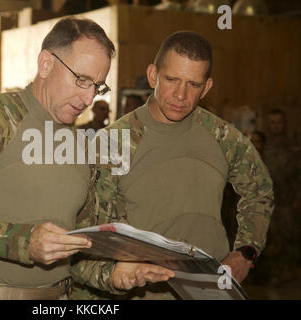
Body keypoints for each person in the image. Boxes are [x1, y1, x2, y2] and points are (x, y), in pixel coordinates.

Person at [0, 17, 173, 300]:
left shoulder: (80, 144)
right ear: (46, 64)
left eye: (98, 87)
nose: (89, 98)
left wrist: (113, 274)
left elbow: (78, 247)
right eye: (81, 80)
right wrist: (23, 242)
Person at [71, 30, 274, 300]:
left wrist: (246, 252)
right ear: (153, 75)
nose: (181, 95)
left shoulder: (223, 136)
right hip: (139, 294)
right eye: (172, 80)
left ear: (208, 87)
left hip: (209, 292)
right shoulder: (113, 142)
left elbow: (259, 189)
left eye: (193, 84)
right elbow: (89, 237)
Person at [257, 109, 299, 287]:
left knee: (291, 240)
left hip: (289, 203)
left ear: (284, 123)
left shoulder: (294, 147)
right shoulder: (262, 147)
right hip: (269, 204)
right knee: (272, 240)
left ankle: (291, 275)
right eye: (273, 122)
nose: (276, 126)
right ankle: (274, 276)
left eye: (279, 122)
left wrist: (298, 199)